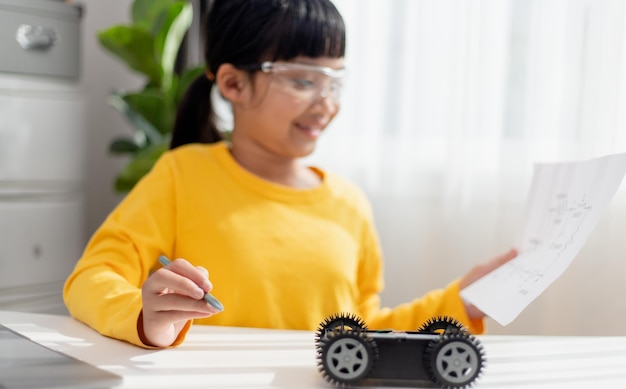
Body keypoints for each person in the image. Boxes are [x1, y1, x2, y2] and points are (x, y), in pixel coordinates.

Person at [64, 0, 516, 348]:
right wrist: (149, 318)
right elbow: (89, 280)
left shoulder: (349, 205)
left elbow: (362, 332)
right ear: (233, 84)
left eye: (335, 81)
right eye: (303, 80)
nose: (326, 102)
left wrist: (462, 303)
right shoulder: (181, 177)